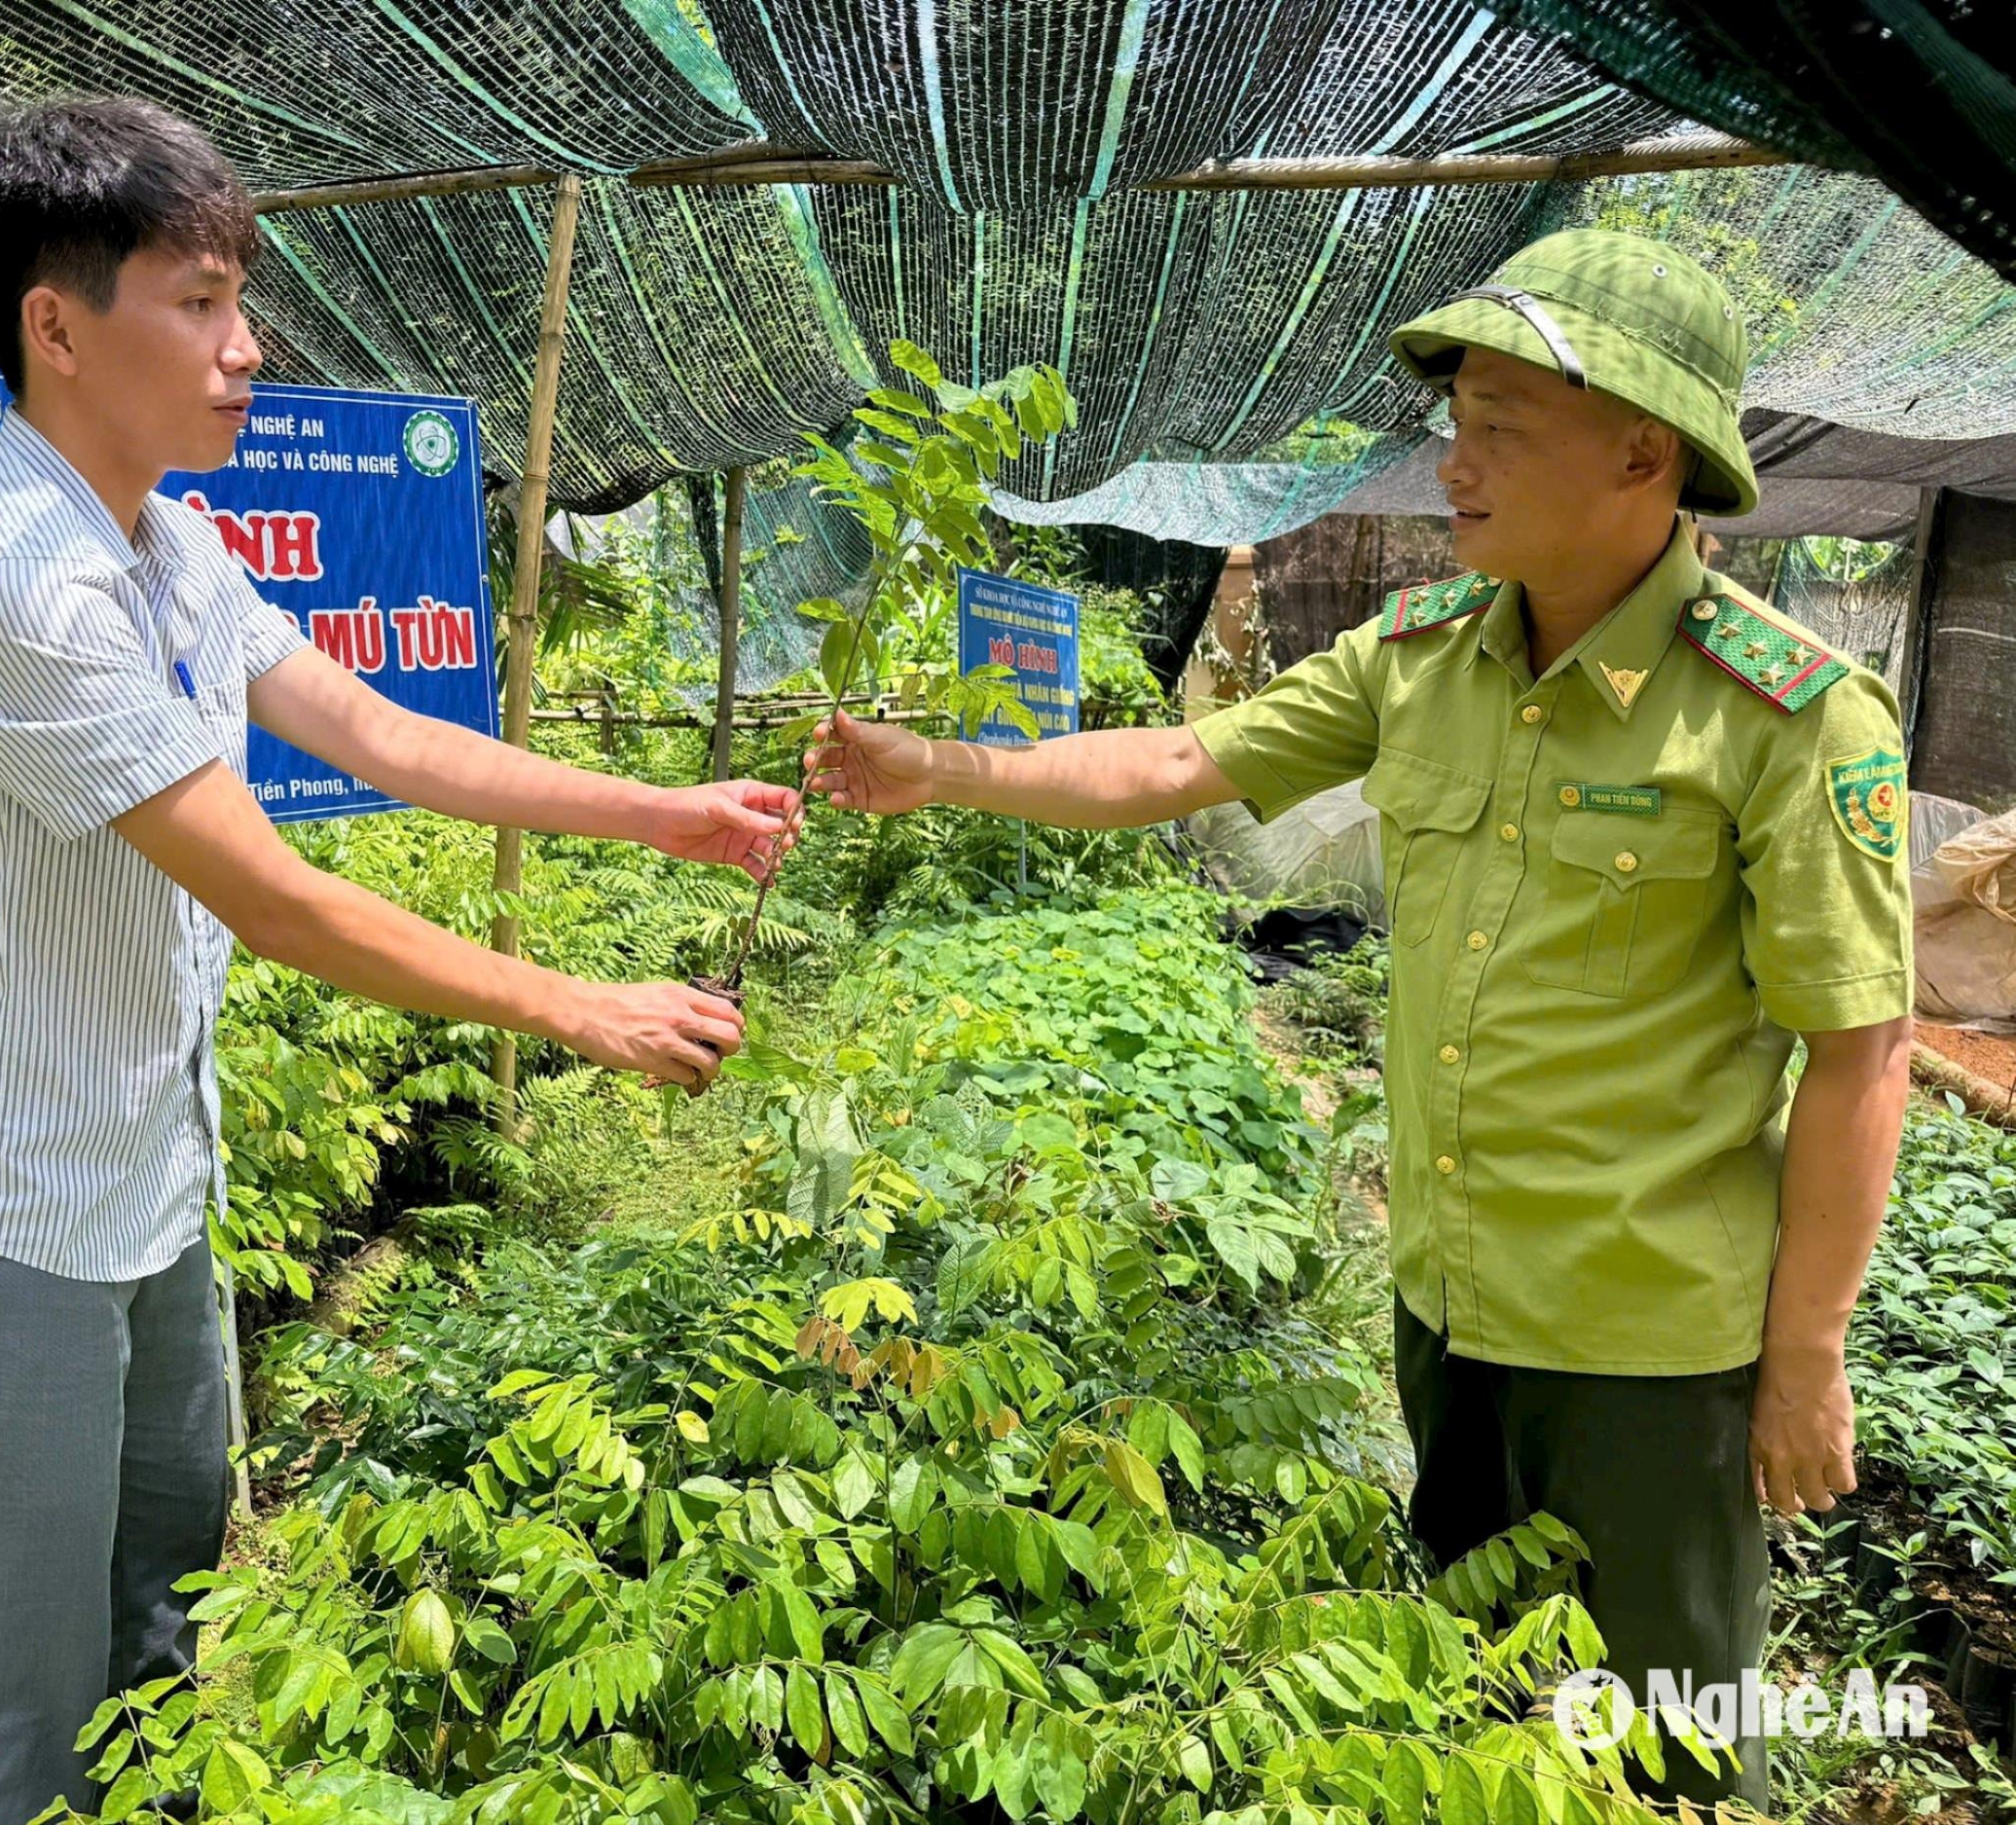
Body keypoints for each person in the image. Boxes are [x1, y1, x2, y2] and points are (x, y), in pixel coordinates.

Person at [808, 229, 1913, 1810]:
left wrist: (1806, 1355)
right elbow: (1181, 766)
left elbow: (1862, 1052)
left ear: (1641, 450)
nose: (1452, 469)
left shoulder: (1784, 718)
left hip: (1651, 1349)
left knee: (1658, 1750)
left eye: (1498, 433)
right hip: (1447, 1309)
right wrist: (953, 767)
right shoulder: (1417, 664)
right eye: (1453, 425)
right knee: (1483, 1707)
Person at [0, 96, 793, 1824]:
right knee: (19, 1696)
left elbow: (369, 726)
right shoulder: (5, 584)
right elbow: (275, 898)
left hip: (140, 1183)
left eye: (238, 297)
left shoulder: (163, 541)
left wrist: (659, 811)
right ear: (56, 327)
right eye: (197, 301)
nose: (245, 346)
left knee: (163, 1612)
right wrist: (575, 1005)